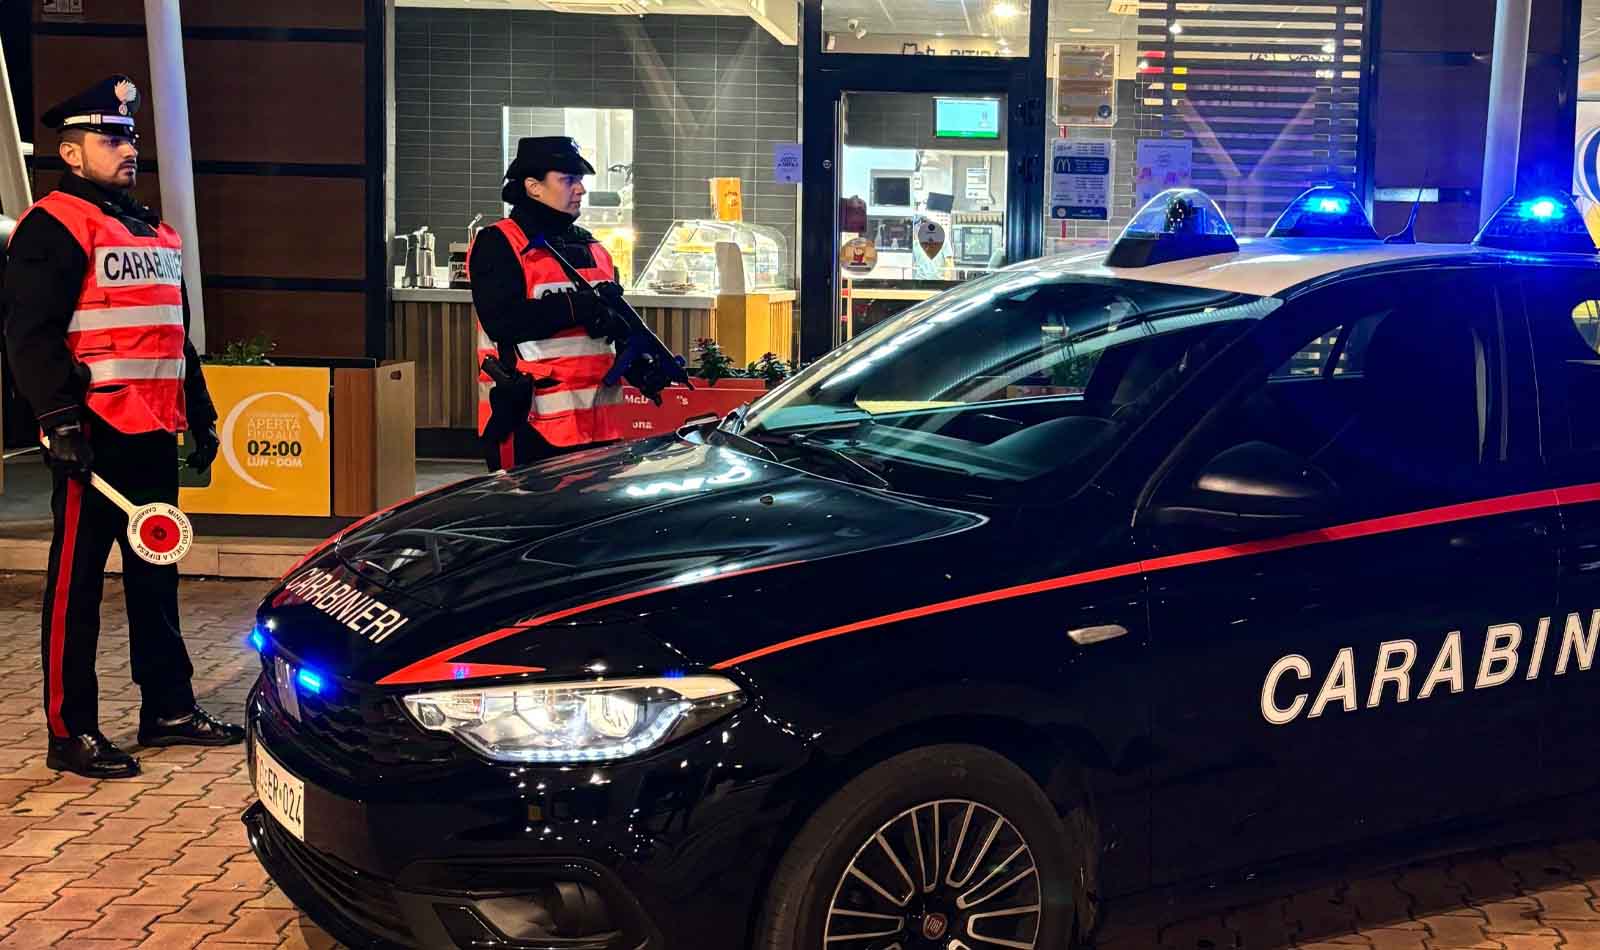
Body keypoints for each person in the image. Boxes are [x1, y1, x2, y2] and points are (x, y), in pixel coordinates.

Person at [2, 75, 243, 779]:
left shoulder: (155, 230)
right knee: (76, 587)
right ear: (71, 154)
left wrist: (199, 411)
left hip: (152, 430)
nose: (127, 148)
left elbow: (174, 336)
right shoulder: (53, 224)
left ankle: (167, 710)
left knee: (156, 576)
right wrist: (56, 421)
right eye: (110, 139)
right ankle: (69, 731)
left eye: (130, 137)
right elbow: (30, 335)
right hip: (94, 434)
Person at [468, 136, 628, 471]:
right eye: (568, 180)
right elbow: (502, 321)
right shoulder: (499, 242)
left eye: (580, 180)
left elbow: (609, 324)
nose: (580, 189)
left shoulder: (594, 247)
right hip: (531, 423)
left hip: (602, 424)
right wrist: (577, 307)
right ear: (533, 186)